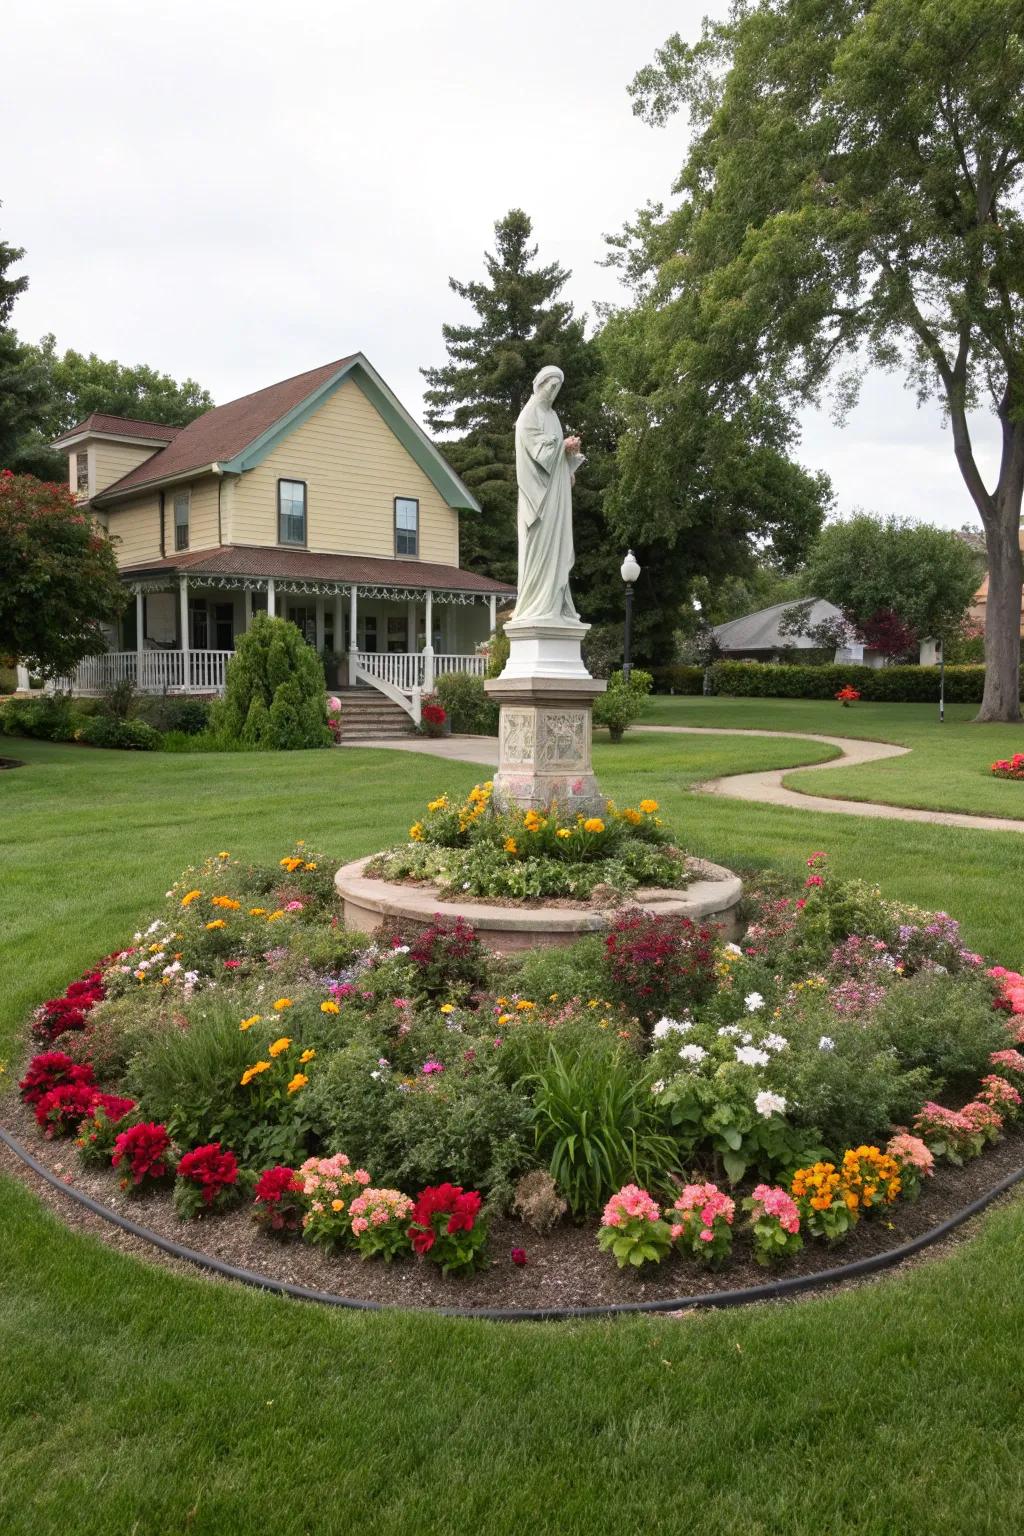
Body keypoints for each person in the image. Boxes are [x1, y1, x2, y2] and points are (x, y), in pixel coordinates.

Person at [510, 365, 584, 626]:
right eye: (550, 386)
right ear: (539, 385)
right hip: (538, 500)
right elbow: (539, 456)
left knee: (558, 547)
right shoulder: (528, 415)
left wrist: (568, 455)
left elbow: (555, 458)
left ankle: (555, 603)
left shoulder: (552, 416)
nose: (554, 391)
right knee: (539, 549)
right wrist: (560, 447)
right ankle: (535, 605)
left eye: (558, 387)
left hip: (555, 496)